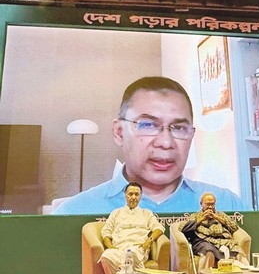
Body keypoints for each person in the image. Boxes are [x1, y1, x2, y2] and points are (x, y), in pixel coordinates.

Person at [54, 77, 243, 214]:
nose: (166, 143)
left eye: (178, 128)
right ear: (119, 132)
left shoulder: (227, 205)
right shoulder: (74, 213)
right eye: (148, 125)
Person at [179, 192, 259, 274]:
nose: (210, 207)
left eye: (212, 204)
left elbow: (234, 227)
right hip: (204, 242)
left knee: (239, 255)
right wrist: (202, 219)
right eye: (207, 204)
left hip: (224, 242)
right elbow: (183, 228)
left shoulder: (221, 215)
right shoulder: (195, 216)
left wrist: (217, 218)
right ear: (201, 204)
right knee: (208, 252)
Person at [99, 182, 164, 274]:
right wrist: (110, 247)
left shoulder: (146, 213)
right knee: (106, 257)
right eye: (130, 194)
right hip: (118, 248)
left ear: (140, 196)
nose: (133, 197)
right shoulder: (116, 213)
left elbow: (159, 229)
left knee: (131, 255)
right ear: (125, 196)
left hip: (137, 248)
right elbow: (106, 233)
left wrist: (148, 241)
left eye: (136, 194)